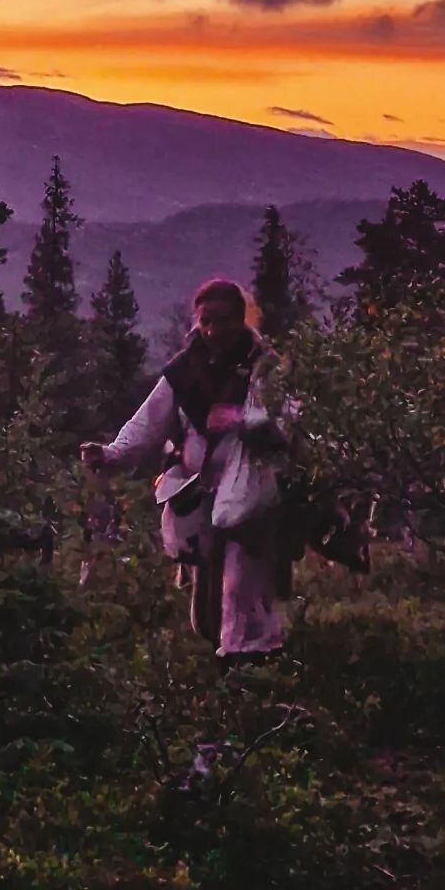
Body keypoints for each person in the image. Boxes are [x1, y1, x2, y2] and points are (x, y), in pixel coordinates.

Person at [80, 277, 294, 661]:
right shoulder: (185, 369)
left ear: (240, 319)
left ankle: (248, 670)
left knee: (241, 588)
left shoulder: (265, 369)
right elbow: (149, 421)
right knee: (206, 606)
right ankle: (231, 665)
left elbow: (289, 422)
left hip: (253, 494)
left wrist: (243, 422)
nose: (212, 331)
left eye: (222, 321)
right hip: (198, 493)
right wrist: (111, 454)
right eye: (206, 321)